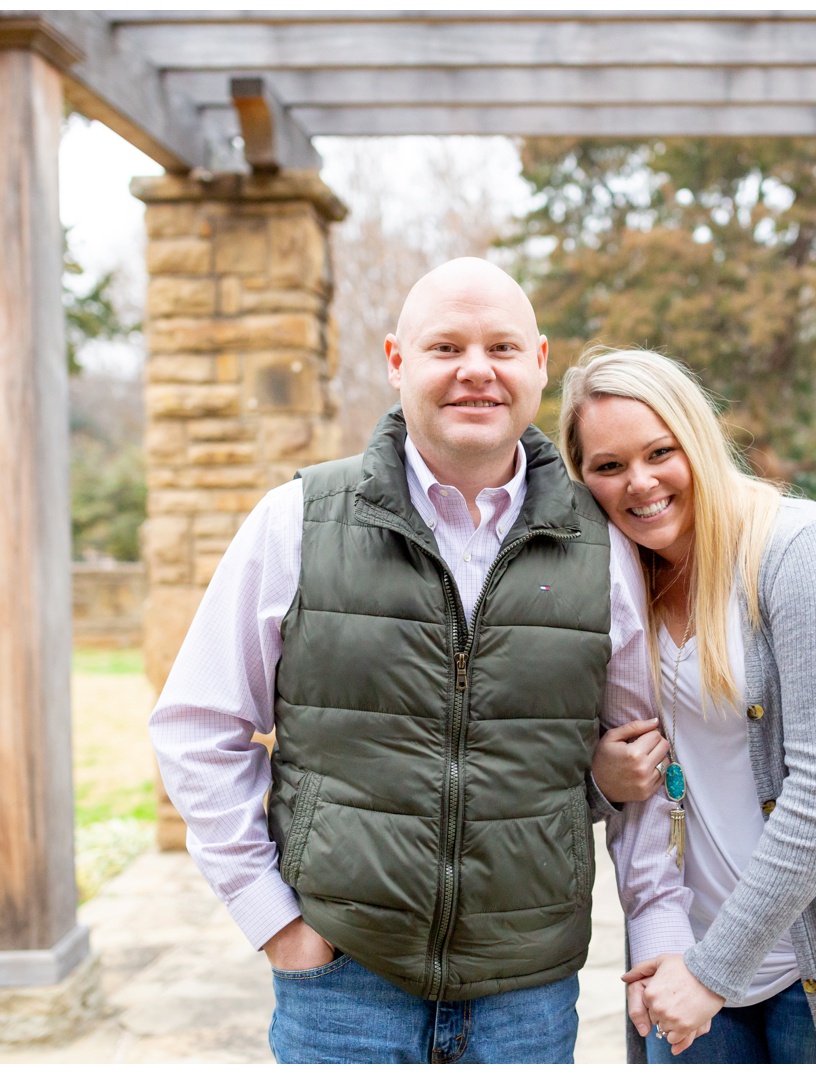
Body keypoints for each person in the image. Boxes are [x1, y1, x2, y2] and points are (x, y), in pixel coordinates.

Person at [148, 260, 664, 1064]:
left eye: (501, 346)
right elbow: (197, 726)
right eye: (445, 347)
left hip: (525, 995)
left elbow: (641, 764)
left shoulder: (601, 550)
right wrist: (274, 920)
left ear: (539, 363)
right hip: (347, 985)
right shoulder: (297, 521)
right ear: (396, 361)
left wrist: (657, 933)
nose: (475, 371)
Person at [557, 348, 816, 1064]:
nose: (640, 482)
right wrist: (600, 780)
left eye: (661, 452)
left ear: (698, 440)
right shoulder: (612, 589)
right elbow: (606, 782)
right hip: (685, 967)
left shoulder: (803, 555)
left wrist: (712, 973)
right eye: (608, 467)